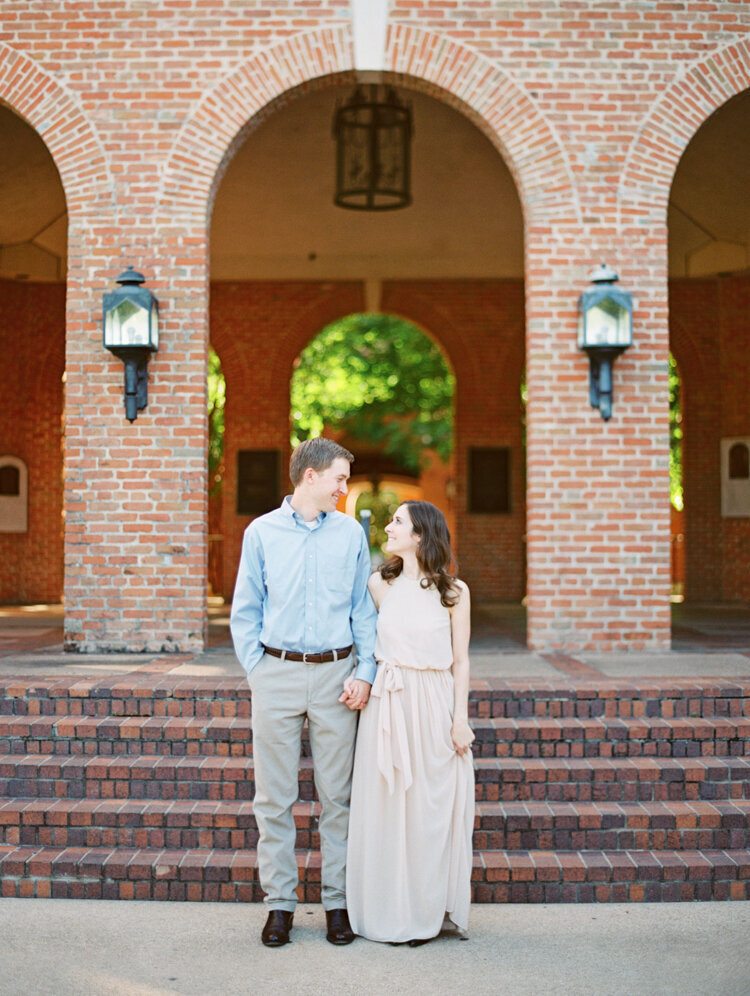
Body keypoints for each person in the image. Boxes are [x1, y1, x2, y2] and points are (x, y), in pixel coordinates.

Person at [230, 437, 377, 948]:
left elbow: (363, 609)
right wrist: (258, 670)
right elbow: (245, 608)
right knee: (274, 799)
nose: (344, 488)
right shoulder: (262, 533)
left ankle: (337, 904)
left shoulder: (350, 534)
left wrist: (366, 670)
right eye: (339, 478)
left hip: (339, 678)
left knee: (338, 798)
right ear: (309, 477)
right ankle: (280, 906)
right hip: (277, 673)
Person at [345, 500, 475, 945]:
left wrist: (460, 719)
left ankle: (425, 912)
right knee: (387, 811)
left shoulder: (454, 592)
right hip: (389, 705)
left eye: (397, 521)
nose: (388, 526)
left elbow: (461, 661)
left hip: (435, 704)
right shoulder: (379, 585)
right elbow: (363, 642)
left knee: (428, 813)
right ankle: (387, 912)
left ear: (420, 535)